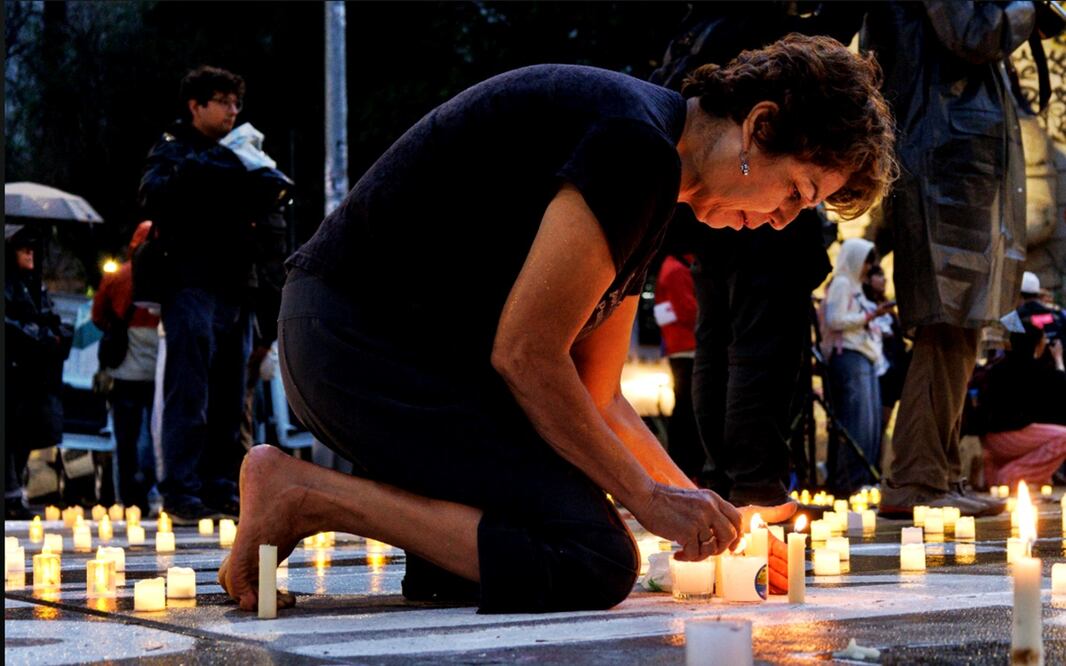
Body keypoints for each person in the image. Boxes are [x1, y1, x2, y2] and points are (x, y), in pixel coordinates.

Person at [218, 36, 896, 614]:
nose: (781, 220)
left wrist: (710, 514)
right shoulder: (636, 148)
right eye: (795, 193)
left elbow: (596, 394)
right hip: (356, 344)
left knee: (493, 562)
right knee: (592, 557)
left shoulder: (656, 173)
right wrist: (646, 500)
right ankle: (303, 494)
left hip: (396, 354)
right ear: (759, 127)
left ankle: (355, 513)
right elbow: (527, 355)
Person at [649, 2, 861, 507]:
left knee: (718, 340)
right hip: (744, 202)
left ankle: (720, 479)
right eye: (803, 192)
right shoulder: (767, 32)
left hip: (716, 220)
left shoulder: (703, 22)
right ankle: (756, 484)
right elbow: (826, 67)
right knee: (757, 345)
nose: (788, 212)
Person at [866, 2, 1035, 517]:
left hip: (946, 146)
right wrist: (1031, 9)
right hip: (946, 152)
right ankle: (920, 478)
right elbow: (973, 31)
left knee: (957, 323)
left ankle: (936, 473)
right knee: (948, 320)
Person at [138, 65, 291, 523]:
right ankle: (181, 489)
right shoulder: (174, 148)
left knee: (229, 395)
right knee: (189, 389)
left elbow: (272, 210)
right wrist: (211, 166)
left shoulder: (241, 153)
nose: (232, 110)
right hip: (191, 282)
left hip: (236, 285)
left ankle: (221, 484)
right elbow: (152, 194)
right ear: (195, 105)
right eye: (222, 101)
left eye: (236, 102)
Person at [91, 221, 160, 514]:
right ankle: (150, 489)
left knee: (124, 438)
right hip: (157, 370)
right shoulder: (166, 276)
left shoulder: (117, 276)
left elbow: (97, 317)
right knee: (154, 434)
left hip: (123, 372)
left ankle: (127, 499)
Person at [4, 224, 73, 519]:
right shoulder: (11, 284)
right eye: (23, 249)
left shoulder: (34, 284)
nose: (31, 254)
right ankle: (9, 494)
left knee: (23, 436)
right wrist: (43, 337)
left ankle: (12, 491)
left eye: (33, 248)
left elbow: (52, 320)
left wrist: (52, 336)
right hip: (13, 372)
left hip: (31, 376)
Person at [820, 238, 892, 494]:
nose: (869, 267)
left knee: (871, 424)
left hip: (866, 357)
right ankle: (851, 483)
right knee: (856, 422)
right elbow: (835, 319)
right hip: (849, 357)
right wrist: (869, 315)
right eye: (867, 261)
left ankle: (866, 479)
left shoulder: (857, 287)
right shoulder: (841, 284)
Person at [981, 307, 1066, 489]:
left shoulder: (999, 366)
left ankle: (999, 473)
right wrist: (1058, 360)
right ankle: (1012, 475)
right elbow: (1061, 389)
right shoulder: (1031, 369)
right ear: (1036, 344)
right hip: (1008, 436)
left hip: (992, 439)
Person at [652, 218, 703, 481]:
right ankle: (684, 468)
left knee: (685, 407)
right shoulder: (676, 269)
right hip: (686, 347)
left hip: (680, 345)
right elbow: (686, 309)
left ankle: (684, 467)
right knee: (687, 409)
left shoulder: (671, 267)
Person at [863, 264, 910, 436]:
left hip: (892, 375)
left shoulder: (890, 310)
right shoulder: (863, 305)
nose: (884, 280)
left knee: (882, 426)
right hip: (874, 371)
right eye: (879, 275)